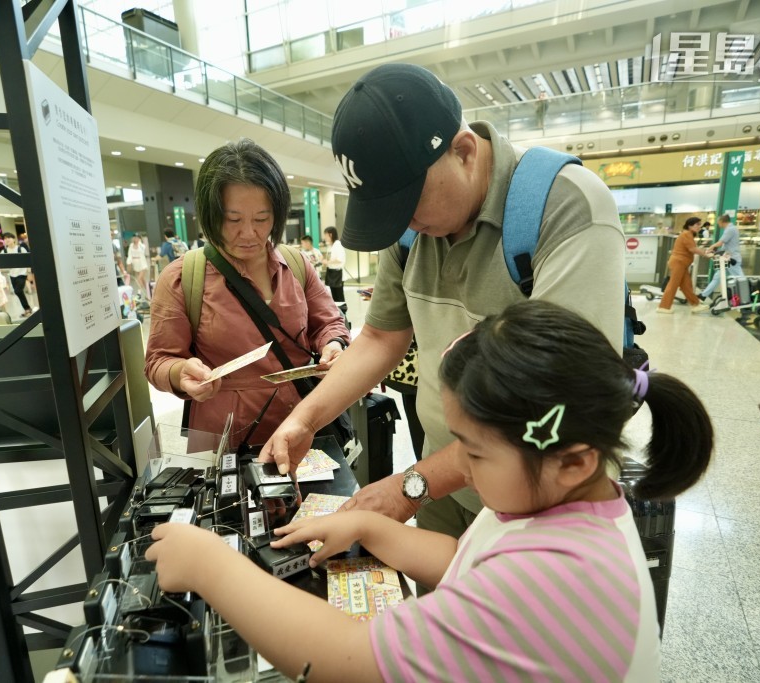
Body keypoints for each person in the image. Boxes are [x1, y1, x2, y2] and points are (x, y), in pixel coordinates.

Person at [146, 301, 714, 681]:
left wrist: (212, 569)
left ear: (571, 461)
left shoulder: (561, 578)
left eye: (473, 450)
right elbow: (475, 562)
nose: (458, 466)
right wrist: (371, 527)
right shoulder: (570, 502)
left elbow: (351, 659)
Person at [259, 62, 625, 550]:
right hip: (445, 480)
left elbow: (556, 401)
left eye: (409, 202)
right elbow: (381, 337)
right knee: (445, 616)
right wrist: (305, 418)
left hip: (538, 497)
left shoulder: (565, 207)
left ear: (464, 151)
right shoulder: (410, 231)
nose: (402, 222)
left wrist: (410, 486)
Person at [144, 139, 350, 443]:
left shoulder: (295, 264)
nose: (249, 233)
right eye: (234, 220)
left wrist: (333, 345)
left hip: (301, 423)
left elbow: (329, 323)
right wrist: (180, 372)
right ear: (211, 215)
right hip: (222, 436)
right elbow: (158, 360)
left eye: (262, 219)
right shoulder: (183, 277)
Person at [656, 217, 707, 315]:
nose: (699, 227)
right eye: (697, 224)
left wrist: (704, 252)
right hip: (678, 263)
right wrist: (705, 254)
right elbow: (692, 249)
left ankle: (695, 305)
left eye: (700, 225)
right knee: (673, 284)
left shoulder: (687, 234)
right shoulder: (687, 234)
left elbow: (692, 248)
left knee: (686, 285)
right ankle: (663, 307)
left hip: (681, 263)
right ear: (690, 225)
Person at [698, 214, 744, 302]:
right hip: (726, 259)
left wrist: (709, 248)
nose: (717, 224)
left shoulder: (730, 229)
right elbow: (725, 245)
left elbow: (720, 242)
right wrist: (716, 252)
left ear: (722, 222)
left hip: (731, 259)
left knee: (740, 279)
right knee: (717, 277)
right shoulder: (731, 229)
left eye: (718, 222)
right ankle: (703, 296)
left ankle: (747, 297)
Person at [2, 232, 32, 317]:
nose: (7, 239)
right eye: (5, 238)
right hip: (12, 275)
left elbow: (28, 261)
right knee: (19, 292)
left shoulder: (21, 249)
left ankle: (27, 308)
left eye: (9, 237)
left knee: (18, 291)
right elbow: (1, 263)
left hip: (22, 274)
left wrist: (29, 273)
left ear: (14, 239)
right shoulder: (4, 251)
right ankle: (27, 309)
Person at [323, 226, 346, 303]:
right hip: (331, 272)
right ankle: (337, 313)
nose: (325, 237)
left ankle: (343, 313)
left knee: (339, 296)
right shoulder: (330, 245)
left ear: (330, 234)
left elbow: (340, 259)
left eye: (325, 235)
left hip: (337, 274)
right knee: (334, 297)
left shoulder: (338, 244)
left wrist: (328, 262)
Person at [126, 234, 151, 301]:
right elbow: (129, 255)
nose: (135, 239)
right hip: (135, 264)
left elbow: (143, 249)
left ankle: (139, 294)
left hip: (142, 264)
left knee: (139, 279)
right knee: (142, 280)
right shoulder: (131, 245)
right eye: (134, 238)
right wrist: (129, 263)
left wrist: (139, 242)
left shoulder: (141, 245)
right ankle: (149, 292)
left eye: (137, 238)